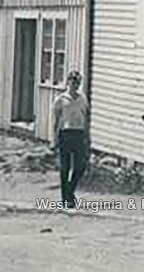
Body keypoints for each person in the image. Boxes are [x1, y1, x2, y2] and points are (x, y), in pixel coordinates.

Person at [52, 70, 90, 207]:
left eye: (78, 82)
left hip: (78, 134)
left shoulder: (83, 99)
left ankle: (69, 191)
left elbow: (85, 118)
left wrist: (87, 137)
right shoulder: (61, 100)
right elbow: (56, 121)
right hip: (65, 134)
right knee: (65, 167)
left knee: (80, 166)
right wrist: (54, 139)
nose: (75, 85)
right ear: (68, 82)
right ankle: (65, 199)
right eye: (73, 82)